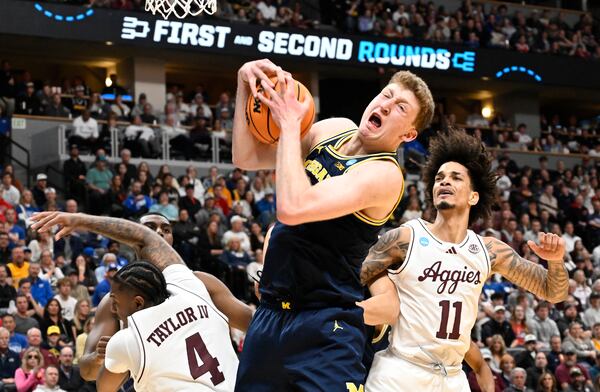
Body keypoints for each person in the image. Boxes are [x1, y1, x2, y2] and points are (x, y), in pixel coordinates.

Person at [232, 58, 434, 390]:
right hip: (270, 315)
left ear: (408, 133)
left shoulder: (384, 175)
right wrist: (244, 86)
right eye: (387, 95)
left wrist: (288, 124)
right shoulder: (333, 129)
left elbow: (294, 208)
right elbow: (247, 157)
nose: (386, 104)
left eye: (400, 107)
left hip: (325, 326)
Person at [358, 130, 569, 391]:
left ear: (473, 196)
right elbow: (355, 272)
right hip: (401, 371)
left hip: (453, 377)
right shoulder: (406, 237)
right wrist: (381, 292)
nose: (444, 182)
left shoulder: (489, 250)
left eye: (455, 177)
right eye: (439, 178)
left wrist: (557, 261)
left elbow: (554, 292)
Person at [31, 212, 252, 387]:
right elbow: (88, 371)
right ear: (130, 238)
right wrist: (101, 357)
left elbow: (252, 323)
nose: (159, 234)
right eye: (151, 229)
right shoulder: (114, 301)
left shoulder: (199, 282)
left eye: (166, 230)